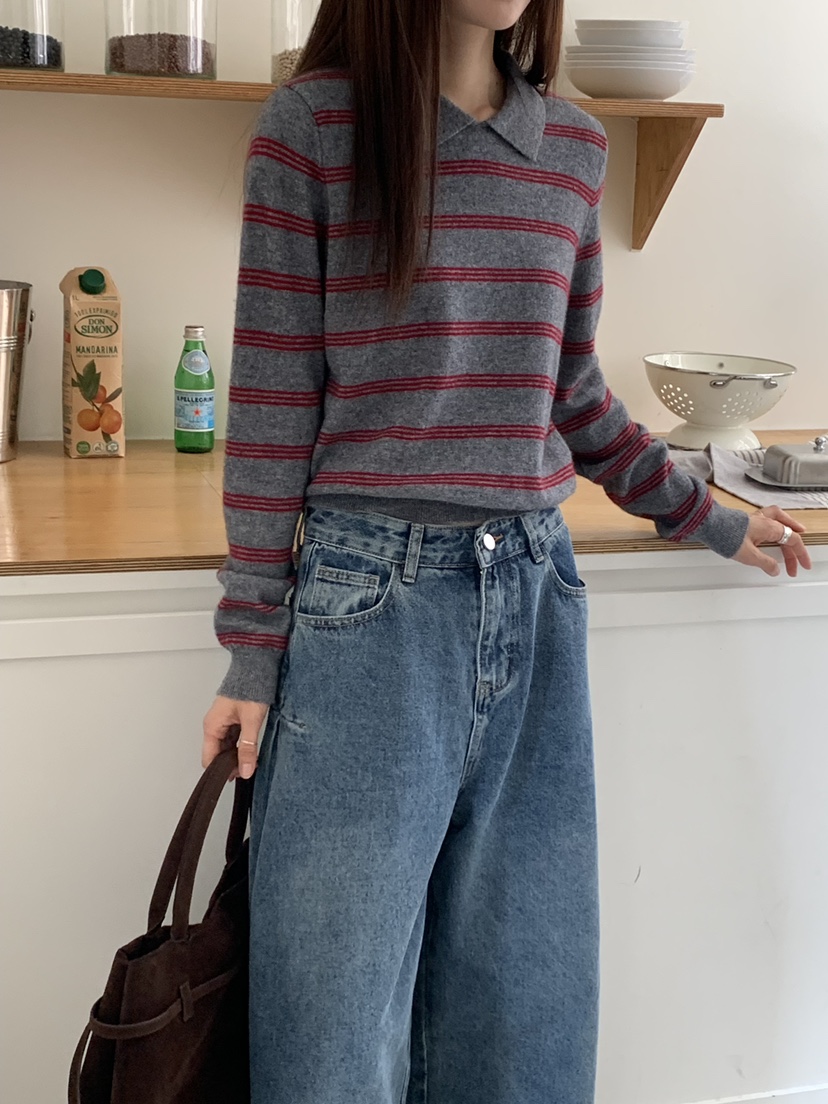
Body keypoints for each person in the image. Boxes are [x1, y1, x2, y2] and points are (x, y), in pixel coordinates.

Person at [202, 2, 812, 1101]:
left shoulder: (571, 146)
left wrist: (710, 515)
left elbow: (572, 393)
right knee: (332, 1027)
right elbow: (273, 404)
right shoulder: (314, 129)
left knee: (525, 1008)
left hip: (533, 594)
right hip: (366, 610)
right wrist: (252, 641)